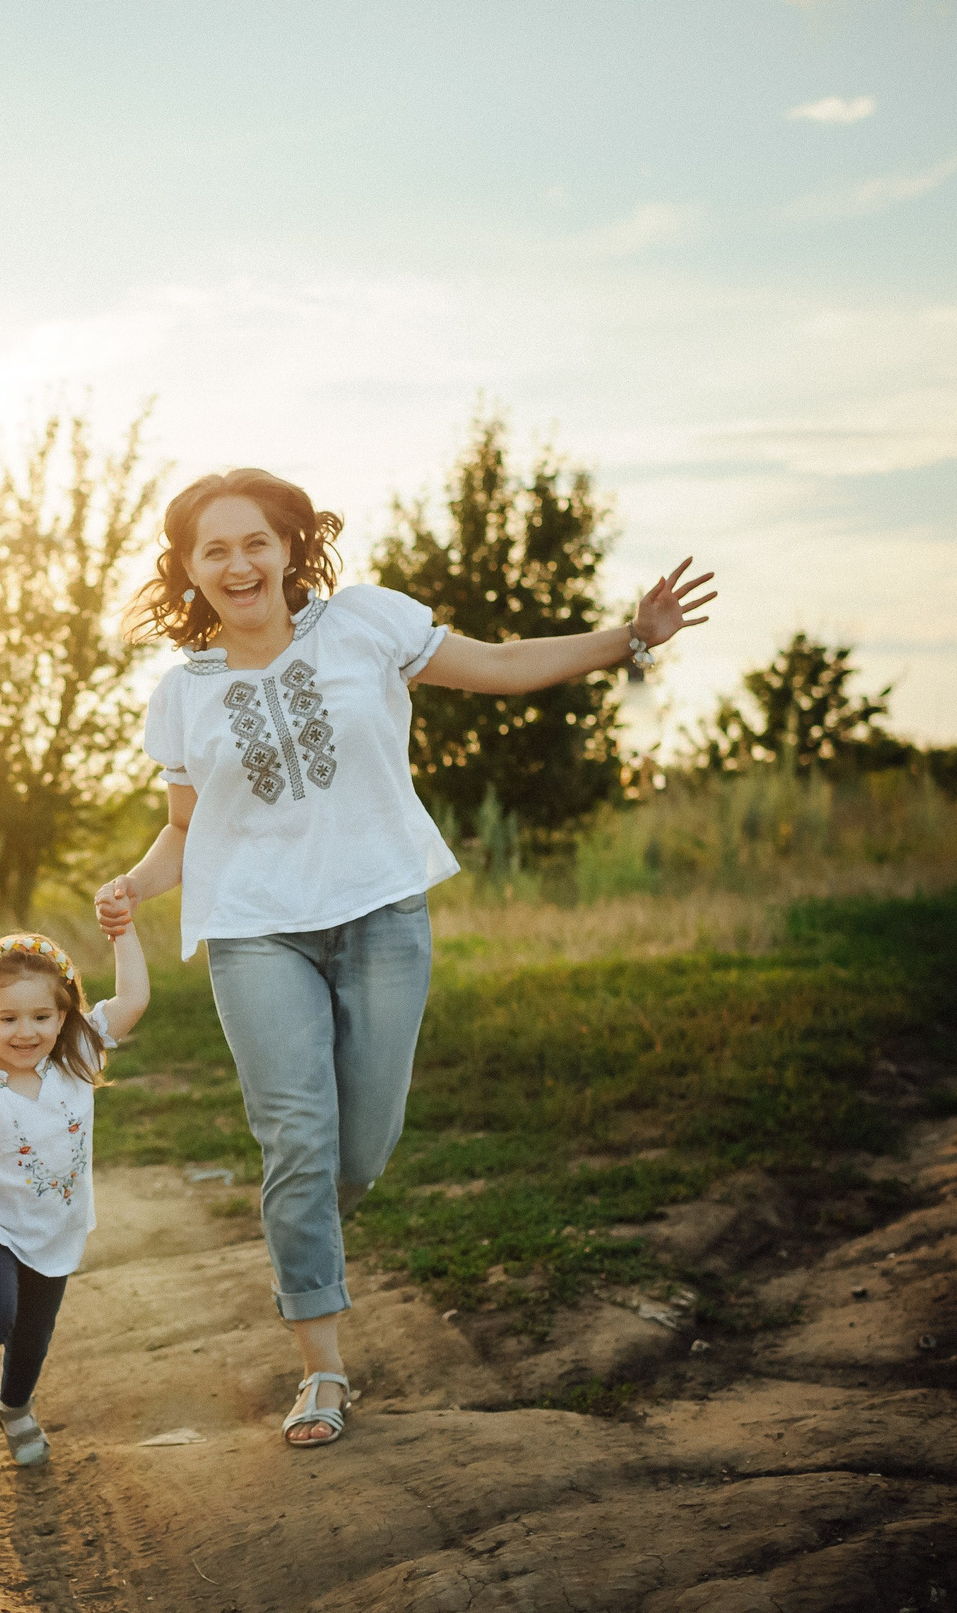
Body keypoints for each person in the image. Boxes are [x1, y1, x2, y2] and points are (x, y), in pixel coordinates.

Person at [93, 467, 713, 1448]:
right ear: (187, 568)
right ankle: (322, 1371)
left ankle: (305, 1237)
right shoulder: (183, 693)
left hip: (381, 913)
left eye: (255, 540)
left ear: (292, 548)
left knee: (358, 1150)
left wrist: (628, 638)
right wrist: (134, 883)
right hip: (255, 928)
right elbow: (184, 828)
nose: (237, 562)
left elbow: (503, 665)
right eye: (212, 549)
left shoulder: (366, 625)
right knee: (296, 1138)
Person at [0, 927, 148, 1470]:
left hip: (56, 1227)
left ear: (64, 1018)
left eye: (42, 1018)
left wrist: (125, 932)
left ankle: (13, 1406)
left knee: (33, 1335)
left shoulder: (76, 1062)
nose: (26, 1032)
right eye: (8, 1019)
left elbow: (134, 999)